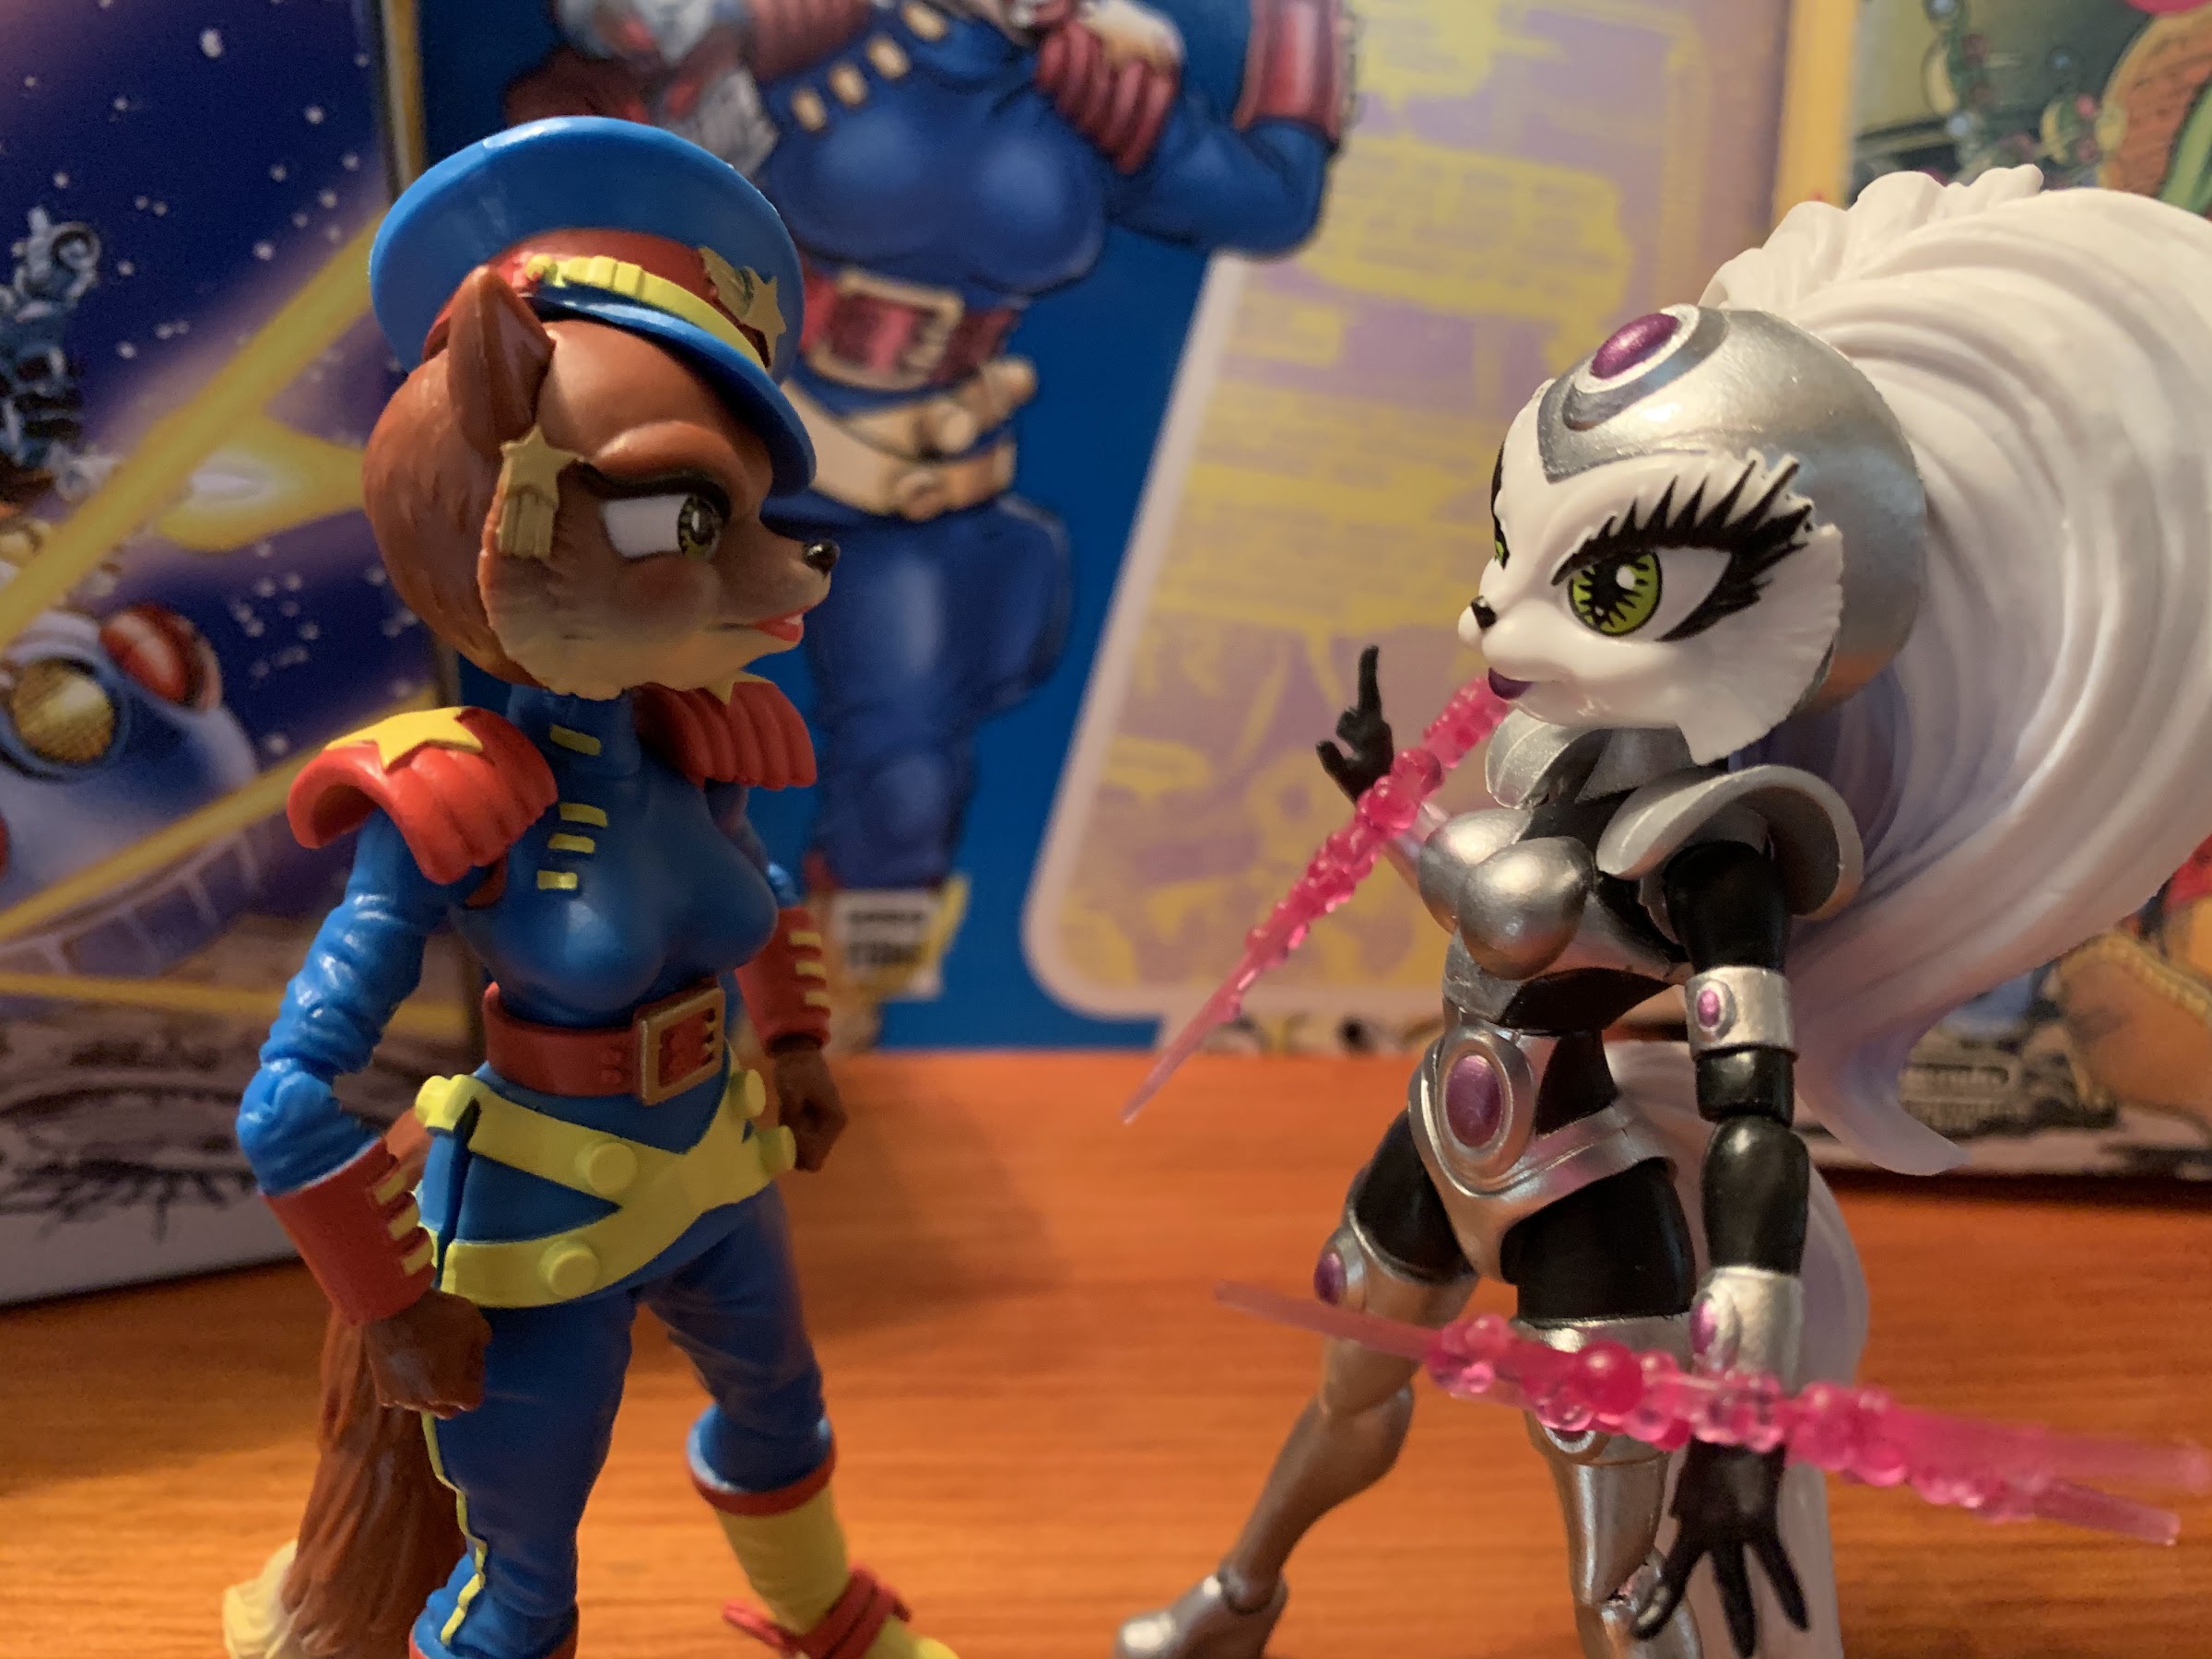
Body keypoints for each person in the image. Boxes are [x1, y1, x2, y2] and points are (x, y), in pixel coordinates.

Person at [1119, 164, 2212, 1658]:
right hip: (1450, 1124)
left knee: (1618, 1562)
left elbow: (1753, 1120)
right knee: (1347, 1388)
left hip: (1587, 1186)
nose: (1489, 615)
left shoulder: (1718, 849)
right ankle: (1239, 1596)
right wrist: (1391, 803)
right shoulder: (1557, 759)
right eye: (1510, 544)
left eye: (1608, 589)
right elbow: (1481, 912)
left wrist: (1746, 1413)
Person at [222, 116, 953, 1659]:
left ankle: (818, 1612)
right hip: (542, 1226)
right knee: (527, 1569)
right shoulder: (449, 804)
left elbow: (758, 891)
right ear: (505, 514)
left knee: (783, 1410)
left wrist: (798, 1046)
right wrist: (391, 1302)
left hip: (716, 1170)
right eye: (684, 515)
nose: (785, 572)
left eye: (751, 509)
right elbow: (287, 1102)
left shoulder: (697, 740)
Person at [506, 0, 1350, 1030]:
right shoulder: (808, 37)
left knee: (910, 774)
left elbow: (1270, 204)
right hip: (726, 456)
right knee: (627, 717)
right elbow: (610, 160)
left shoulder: (1086, 83)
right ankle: (601, 974)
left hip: (921, 485)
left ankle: (844, 1010)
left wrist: (1304, 26)